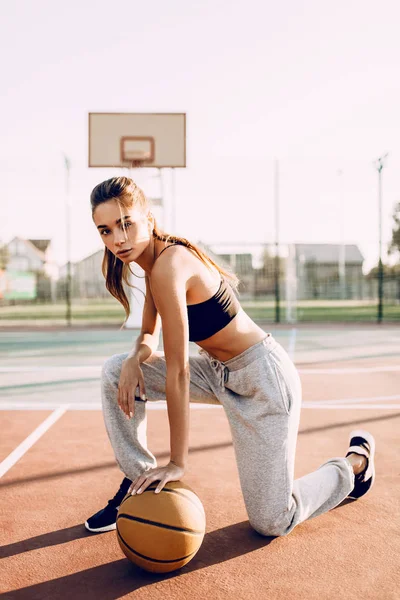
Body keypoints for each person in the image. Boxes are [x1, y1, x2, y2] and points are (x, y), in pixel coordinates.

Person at [85, 176, 376, 536]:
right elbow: (149, 333)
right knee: (115, 369)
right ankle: (137, 484)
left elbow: (177, 370)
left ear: (149, 217)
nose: (118, 238)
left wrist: (178, 462)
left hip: (262, 380)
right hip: (217, 373)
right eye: (106, 230)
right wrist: (134, 358)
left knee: (272, 520)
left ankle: (354, 465)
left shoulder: (169, 264)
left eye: (126, 223)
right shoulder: (152, 267)